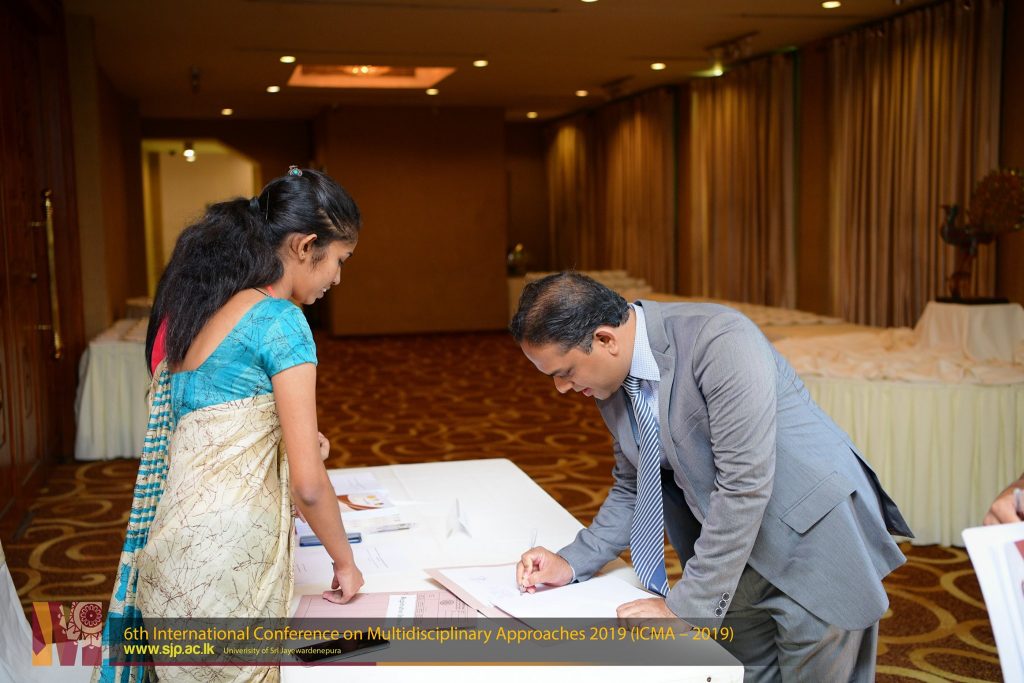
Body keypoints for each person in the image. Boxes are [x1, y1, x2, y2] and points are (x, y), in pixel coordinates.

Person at [510, 272, 913, 682]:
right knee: (741, 675)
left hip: (811, 544)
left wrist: (683, 609)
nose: (561, 388)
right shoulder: (610, 380)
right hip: (729, 556)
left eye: (565, 372)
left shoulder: (719, 339)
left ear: (604, 339)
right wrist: (572, 561)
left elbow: (743, 485)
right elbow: (635, 484)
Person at [97, 167, 363, 683]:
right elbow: (309, 486)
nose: (337, 278)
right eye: (339, 260)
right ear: (306, 246)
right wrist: (345, 562)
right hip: (228, 567)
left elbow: (215, 432)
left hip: (170, 557)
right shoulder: (281, 323)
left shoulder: (199, 312)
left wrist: (285, 443)